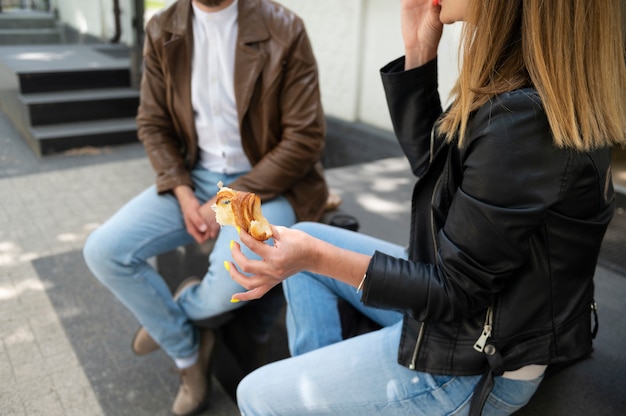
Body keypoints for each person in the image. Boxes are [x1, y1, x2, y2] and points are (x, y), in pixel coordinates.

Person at [227, 0, 626, 415]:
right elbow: (439, 176)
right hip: (469, 317)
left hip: (477, 361)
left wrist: (312, 256)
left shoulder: (523, 120)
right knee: (311, 248)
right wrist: (419, 53)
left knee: (257, 394)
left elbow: (453, 291)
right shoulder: (517, 90)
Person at [82, 0, 328, 414]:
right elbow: (153, 123)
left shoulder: (285, 28)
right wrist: (180, 190)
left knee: (223, 291)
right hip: (195, 179)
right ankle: (187, 354)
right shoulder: (163, 29)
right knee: (103, 251)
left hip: (269, 184)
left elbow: (305, 137)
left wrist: (231, 195)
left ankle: (174, 317)